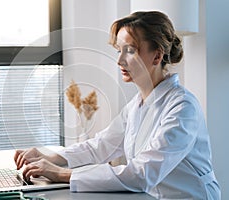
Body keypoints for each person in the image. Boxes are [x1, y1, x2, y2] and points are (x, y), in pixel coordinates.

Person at [14, 11, 221, 199]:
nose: (119, 60)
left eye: (130, 50)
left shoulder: (183, 108)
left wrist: (60, 174)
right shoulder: (137, 105)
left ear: (157, 56)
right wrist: (50, 157)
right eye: (118, 50)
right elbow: (100, 146)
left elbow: (142, 174)